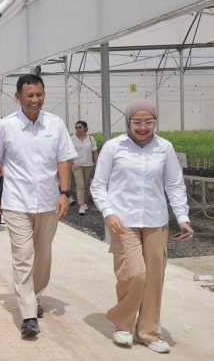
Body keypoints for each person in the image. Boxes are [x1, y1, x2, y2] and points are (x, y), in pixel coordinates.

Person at [90, 99, 193, 354]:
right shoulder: (114, 147)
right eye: (137, 122)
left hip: (156, 221)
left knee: (154, 278)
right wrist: (109, 212)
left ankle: (149, 331)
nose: (143, 127)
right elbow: (98, 185)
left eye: (149, 122)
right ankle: (123, 323)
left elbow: (174, 184)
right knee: (134, 274)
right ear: (128, 122)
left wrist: (182, 217)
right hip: (122, 221)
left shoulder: (164, 148)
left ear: (155, 122)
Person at [0, 73, 77, 338]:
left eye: (39, 95)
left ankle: (34, 294)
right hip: (16, 202)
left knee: (43, 255)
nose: (35, 100)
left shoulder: (55, 124)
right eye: (29, 95)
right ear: (18, 98)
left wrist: (65, 193)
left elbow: (64, 161)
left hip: (49, 201)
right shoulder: (6, 127)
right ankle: (28, 314)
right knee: (23, 257)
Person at [71, 120, 98, 215]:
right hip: (77, 165)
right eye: (76, 127)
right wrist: (72, 163)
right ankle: (81, 205)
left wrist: (97, 163)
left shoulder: (91, 138)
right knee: (80, 185)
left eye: (80, 127)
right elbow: (68, 152)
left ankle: (84, 202)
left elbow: (94, 151)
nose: (78, 129)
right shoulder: (72, 139)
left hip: (88, 165)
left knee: (86, 185)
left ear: (85, 128)